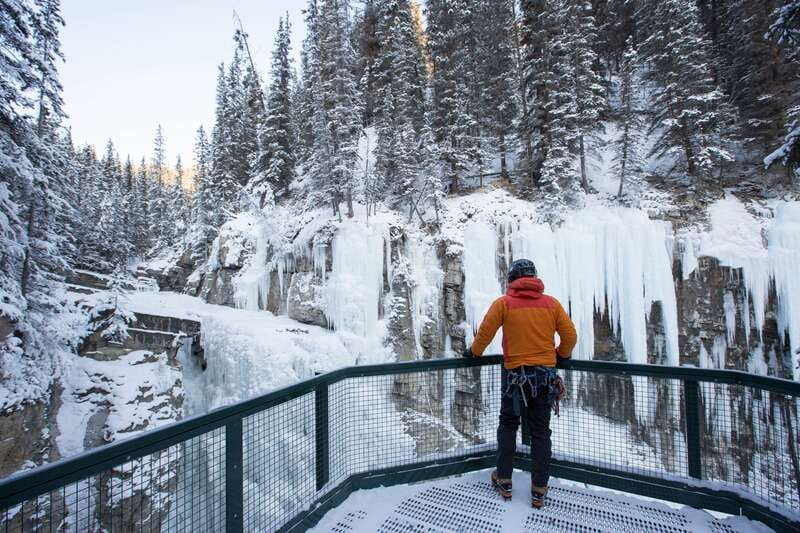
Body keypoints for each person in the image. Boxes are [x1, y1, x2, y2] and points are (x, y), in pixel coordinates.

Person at [463, 258, 577, 509]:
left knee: (508, 425)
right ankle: (539, 488)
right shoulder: (551, 304)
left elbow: (485, 333)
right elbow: (570, 335)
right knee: (540, 431)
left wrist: (474, 352)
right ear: (535, 278)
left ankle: (504, 479)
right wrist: (562, 355)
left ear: (512, 279)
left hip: (515, 378)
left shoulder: (504, 304)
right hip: (544, 377)